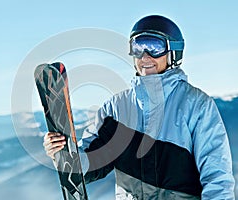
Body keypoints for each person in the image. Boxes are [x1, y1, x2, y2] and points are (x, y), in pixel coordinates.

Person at [43, 15, 235, 199]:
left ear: (173, 52)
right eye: (138, 47)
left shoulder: (196, 104)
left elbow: (217, 177)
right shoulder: (116, 108)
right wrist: (63, 153)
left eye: (154, 47)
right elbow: (94, 160)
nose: (145, 56)